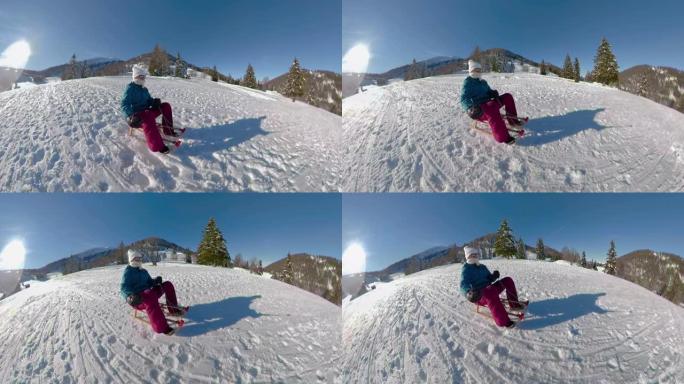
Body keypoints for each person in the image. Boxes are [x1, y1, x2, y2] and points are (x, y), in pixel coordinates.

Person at [459, 246, 527, 327]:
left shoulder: (482, 267)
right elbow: (463, 285)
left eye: (475, 255)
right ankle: (503, 321)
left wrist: (494, 276)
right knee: (489, 291)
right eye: (472, 255)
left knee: (507, 280)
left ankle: (514, 305)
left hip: (490, 290)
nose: (474, 256)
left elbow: (489, 278)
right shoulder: (466, 269)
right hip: (478, 295)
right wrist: (468, 293)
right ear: (468, 256)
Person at [460, 60, 523, 144]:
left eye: (479, 70)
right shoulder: (468, 83)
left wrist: (492, 93)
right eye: (476, 70)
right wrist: (470, 108)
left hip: (489, 104)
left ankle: (512, 121)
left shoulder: (483, 82)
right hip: (478, 110)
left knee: (507, 96)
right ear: (471, 71)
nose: (478, 72)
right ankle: (503, 137)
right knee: (491, 106)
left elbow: (488, 91)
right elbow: (463, 99)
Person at [120, 249, 182, 335]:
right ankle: (161, 327)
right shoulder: (128, 272)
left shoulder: (143, 271)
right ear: (131, 260)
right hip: (138, 299)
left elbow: (149, 282)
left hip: (150, 294)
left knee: (167, 284)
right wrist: (129, 297)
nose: (138, 260)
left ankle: (173, 309)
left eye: (139, 258)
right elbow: (123, 287)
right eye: (136, 258)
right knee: (150, 294)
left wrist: (156, 280)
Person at [120, 64, 176, 154]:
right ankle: (157, 146)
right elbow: (123, 104)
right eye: (140, 76)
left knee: (166, 106)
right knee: (148, 114)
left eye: (143, 77)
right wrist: (129, 116)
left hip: (147, 113)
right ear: (135, 77)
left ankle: (168, 131)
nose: (142, 79)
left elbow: (149, 100)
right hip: (137, 117)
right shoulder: (130, 89)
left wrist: (154, 102)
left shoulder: (144, 89)